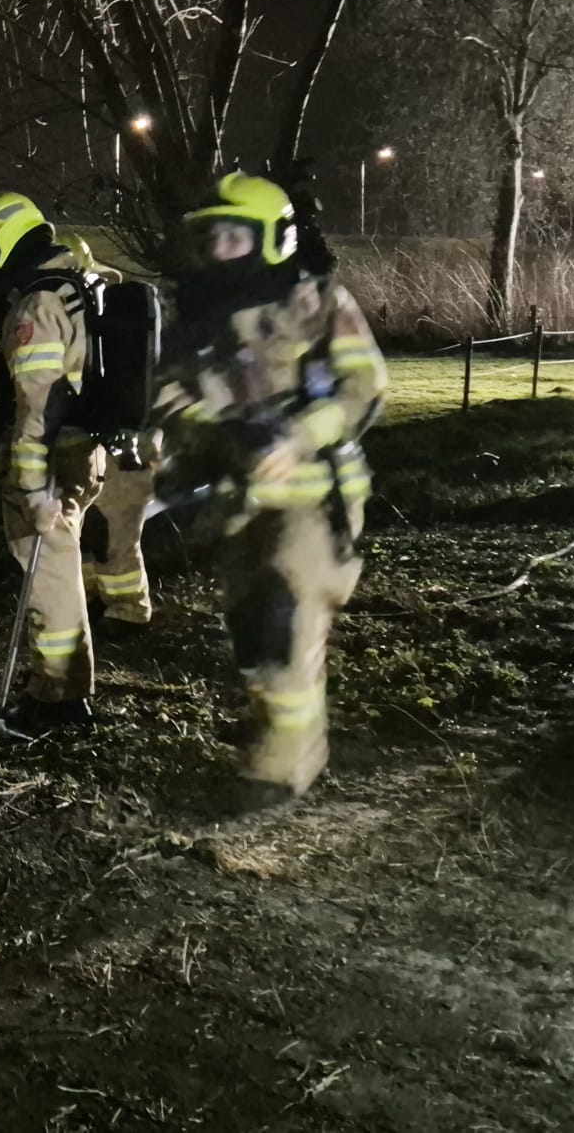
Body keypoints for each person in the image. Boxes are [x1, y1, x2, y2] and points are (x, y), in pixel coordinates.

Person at [154, 172, 386, 809]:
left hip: (314, 501)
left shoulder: (317, 302)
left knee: (285, 617)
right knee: (252, 629)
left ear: (272, 238)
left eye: (234, 236)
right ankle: (272, 729)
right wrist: (216, 433)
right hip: (239, 502)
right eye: (211, 238)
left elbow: (364, 386)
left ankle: (283, 768)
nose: (219, 250)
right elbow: (167, 397)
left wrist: (296, 435)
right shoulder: (194, 317)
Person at [0, 192, 106, 736]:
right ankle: (59, 687)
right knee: (58, 568)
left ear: (3, 241)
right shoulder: (72, 286)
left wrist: (29, 485)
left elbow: (35, 406)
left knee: (49, 575)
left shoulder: (37, 307)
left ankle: (60, 700)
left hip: (51, 458)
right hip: (79, 451)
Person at [68, 236, 159, 636]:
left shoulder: (102, 318)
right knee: (95, 527)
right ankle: (96, 599)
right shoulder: (96, 313)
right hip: (115, 436)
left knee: (116, 528)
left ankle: (129, 610)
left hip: (128, 441)